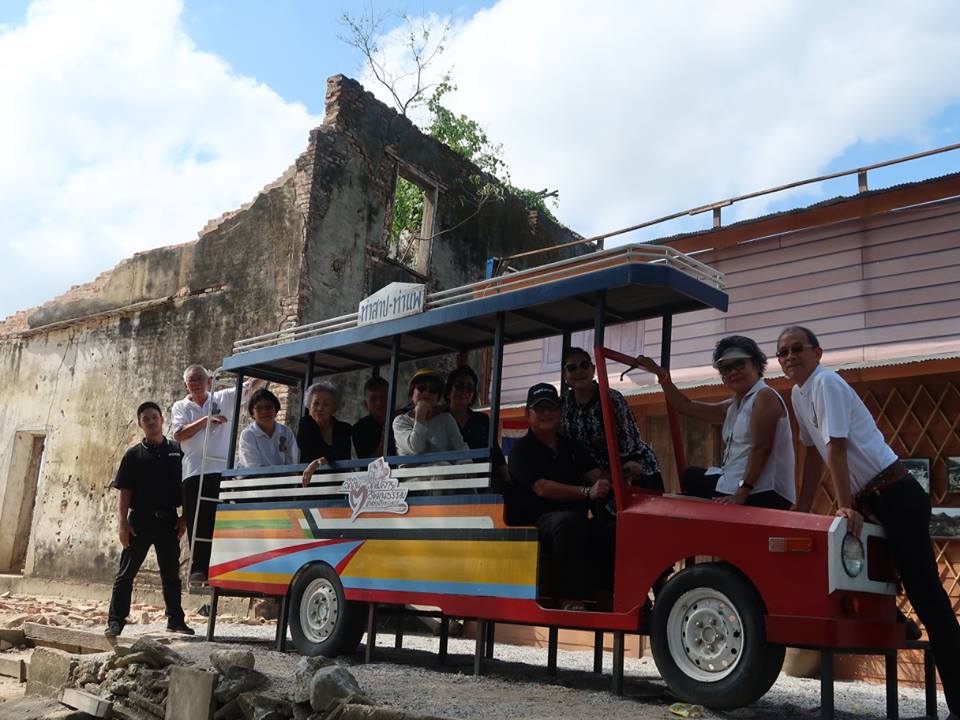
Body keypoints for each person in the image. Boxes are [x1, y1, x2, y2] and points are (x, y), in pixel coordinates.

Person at [778, 325, 960, 719]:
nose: (790, 357)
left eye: (797, 349)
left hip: (895, 493)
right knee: (865, 575)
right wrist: (803, 506)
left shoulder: (825, 382)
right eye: (783, 352)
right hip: (872, 499)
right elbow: (813, 453)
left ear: (817, 353)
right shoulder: (797, 394)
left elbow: (836, 447)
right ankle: (901, 624)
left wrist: (844, 505)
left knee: (928, 598)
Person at [636, 336, 795, 509]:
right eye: (726, 368)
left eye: (739, 364)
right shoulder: (734, 405)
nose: (733, 372)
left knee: (689, 481)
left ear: (756, 364)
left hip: (763, 491)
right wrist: (662, 376)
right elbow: (684, 406)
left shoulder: (764, 396)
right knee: (690, 477)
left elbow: (762, 448)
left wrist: (741, 493)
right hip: (736, 484)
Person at [507, 383, 612, 610]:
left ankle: (608, 597)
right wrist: (586, 492)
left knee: (608, 528)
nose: (546, 413)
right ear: (527, 414)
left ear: (560, 411)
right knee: (568, 523)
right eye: (539, 408)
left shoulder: (571, 447)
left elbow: (596, 476)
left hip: (574, 519)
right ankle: (569, 598)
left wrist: (621, 474)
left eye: (551, 408)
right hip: (535, 522)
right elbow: (542, 488)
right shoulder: (521, 451)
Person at [105, 402, 194, 637]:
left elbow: (186, 486)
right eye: (146, 419)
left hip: (168, 521)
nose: (152, 422)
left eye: (155, 417)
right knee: (126, 573)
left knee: (171, 574)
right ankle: (115, 621)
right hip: (139, 522)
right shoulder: (133, 455)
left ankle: (175, 619)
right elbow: (125, 490)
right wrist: (123, 523)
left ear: (162, 420)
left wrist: (185, 517)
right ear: (140, 424)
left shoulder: (177, 451)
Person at [171, 364, 259, 583]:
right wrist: (205, 421)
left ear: (209, 381)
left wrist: (261, 365)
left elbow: (251, 385)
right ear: (186, 385)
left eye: (200, 379)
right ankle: (198, 568)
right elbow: (179, 435)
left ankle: (221, 567)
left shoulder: (223, 398)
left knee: (221, 520)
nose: (196, 384)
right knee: (197, 521)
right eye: (191, 381)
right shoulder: (181, 406)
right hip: (194, 470)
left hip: (220, 469)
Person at [560, 347, 662, 490]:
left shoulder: (611, 398)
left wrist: (626, 467)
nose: (579, 371)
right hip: (593, 475)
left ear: (593, 370)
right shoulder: (563, 404)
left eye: (584, 365)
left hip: (631, 469)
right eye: (572, 368)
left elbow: (629, 437)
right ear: (565, 375)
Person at [444, 366, 510, 487]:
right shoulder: (440, 419)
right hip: (449, 481)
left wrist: (509, 480)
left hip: (484, 480)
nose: (464, 391)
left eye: (470, 388)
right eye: (459, 386)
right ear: (448, 391)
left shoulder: (482, 420)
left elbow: (496, 453)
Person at [393, 369, 468, 456]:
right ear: (411, 394)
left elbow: (461, 449)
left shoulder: (446, 420)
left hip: (443, 464)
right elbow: (415, 448)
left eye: (433, 389)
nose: (427, 392)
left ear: (438, 397)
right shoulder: (400, 421)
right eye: (421, 388)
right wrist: (420, 416)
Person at [299, 381, 352, 487]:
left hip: (338, 483)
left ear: (333, 408)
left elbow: (342, 454)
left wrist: (318, 462)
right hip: (311, 483)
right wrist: (324, 459)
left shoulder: (344, 428)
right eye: (316, 403)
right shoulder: (305, 424)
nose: (320, 408)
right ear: (309, 406)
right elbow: (310, 452)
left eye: (326, 404)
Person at [238, 388, 300, 468]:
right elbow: (253, 467)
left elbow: (292, 463)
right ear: (252, 413)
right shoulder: (248, 435)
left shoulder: (286, 432)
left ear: (275, 410)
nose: (264, 411)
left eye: (268, 407)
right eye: (259, 408)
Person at [352, 375, 396, 459]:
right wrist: (386, 429)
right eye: (373, 398)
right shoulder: (360, 428)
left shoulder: (401, 420)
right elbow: (370, 461)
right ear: (366, 404)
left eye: (383, 397)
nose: (379, 402)